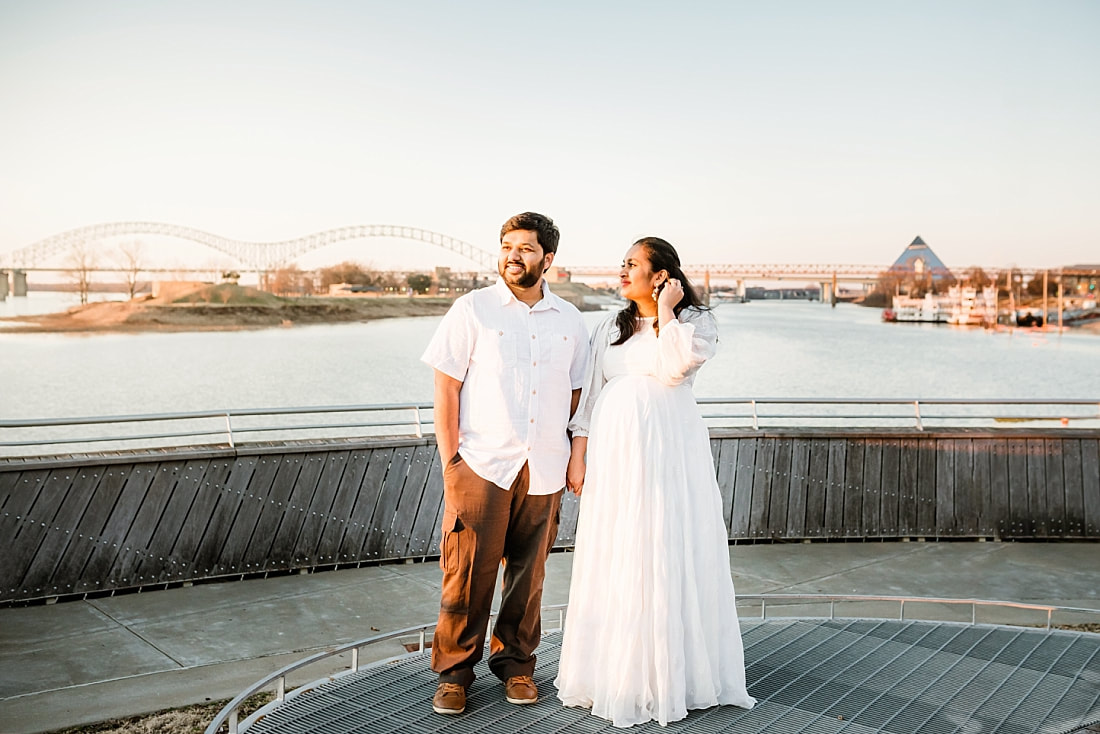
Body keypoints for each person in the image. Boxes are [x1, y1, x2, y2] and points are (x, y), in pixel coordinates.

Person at [554, 237, 756, 727]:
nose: (623, 272)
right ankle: (615, 670)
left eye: (634, 265)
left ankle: (673, 673)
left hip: (669, 450)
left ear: (662, 274)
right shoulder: (607, 326)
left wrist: (667, 312)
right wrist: (578, 455)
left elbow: (674, 369)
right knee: (619, 546)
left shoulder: (693, 323)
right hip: (615, 451)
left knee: (664, 544)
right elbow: (591, 397)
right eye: (621, 264)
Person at [420, 212, 590, 716]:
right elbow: (445, 389)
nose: (513, 255)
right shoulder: (472, 310)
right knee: (467, 573)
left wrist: (572, 454)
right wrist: (452, 462)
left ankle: (516, 665)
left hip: (545, 466)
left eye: (526, 247)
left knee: (528, 576)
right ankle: (453, 674)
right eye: (506, 245)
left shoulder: (570, 321)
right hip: (481, 464)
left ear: (549, 259)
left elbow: (578, 394)